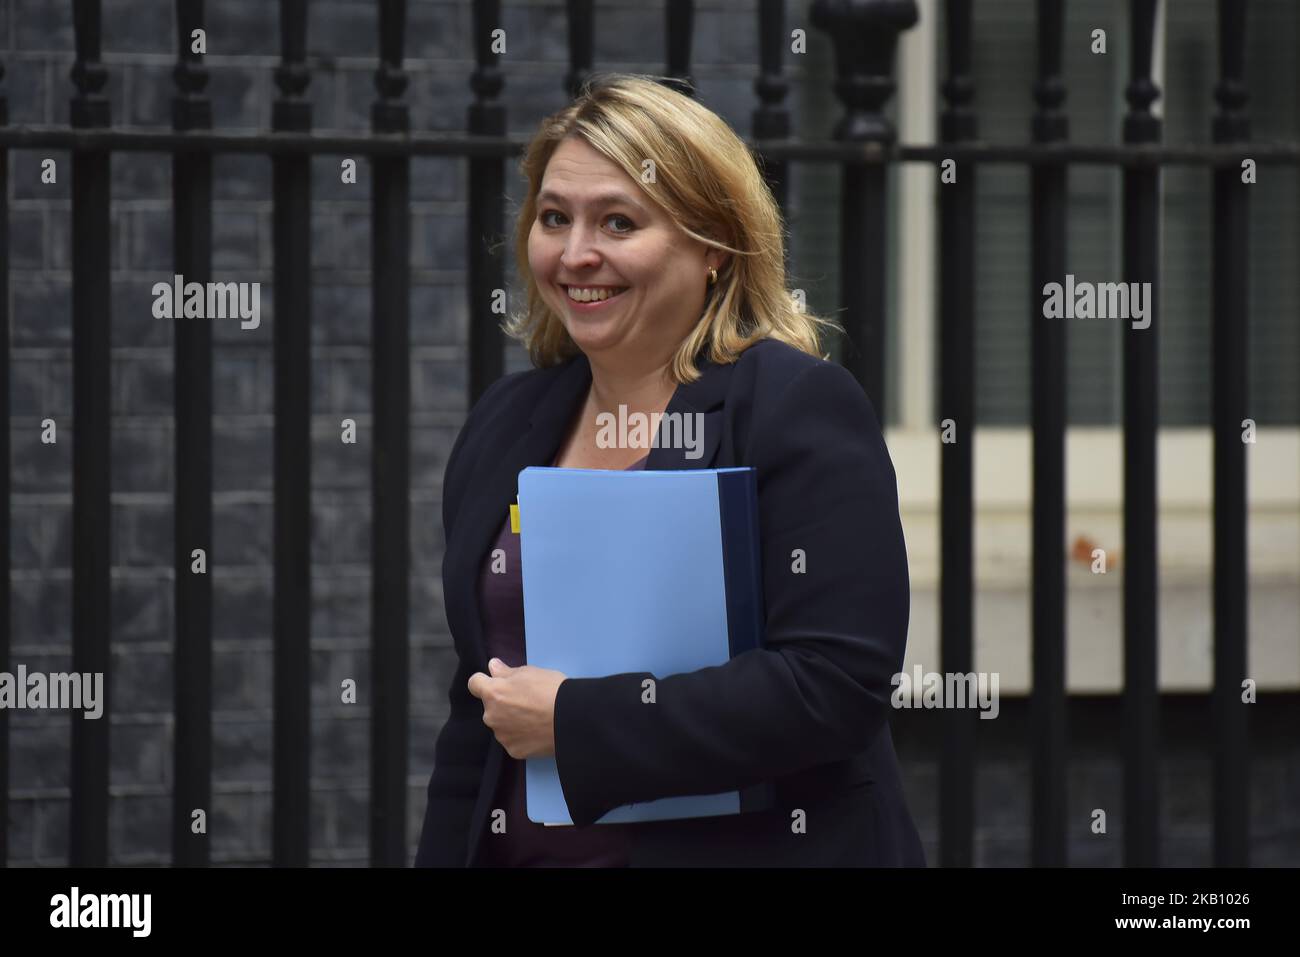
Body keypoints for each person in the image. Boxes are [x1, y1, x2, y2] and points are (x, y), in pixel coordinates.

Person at [414, 73, 924, 867]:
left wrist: (577, 723)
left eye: (618, 221)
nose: (576, 253)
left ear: (714, 245)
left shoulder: (793, 407)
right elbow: (475, 714)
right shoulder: (506, 424)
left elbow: (835, 684)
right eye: (555, 217)